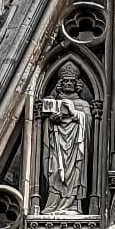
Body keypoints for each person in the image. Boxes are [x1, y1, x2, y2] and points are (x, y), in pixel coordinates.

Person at [40, 61, 93, 215]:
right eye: (65, 81)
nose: (69, 84)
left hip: (76, 147)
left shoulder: (83, 103)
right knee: (55, 172)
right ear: (60, 84)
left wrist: (74, 112)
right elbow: (44, 125)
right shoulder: (53, 103)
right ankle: (54, 205)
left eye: (72, 81)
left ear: (77, 84)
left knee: (75, 173)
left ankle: (73, 206)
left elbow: (89, 123)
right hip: (57, 144)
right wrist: (51, 121)